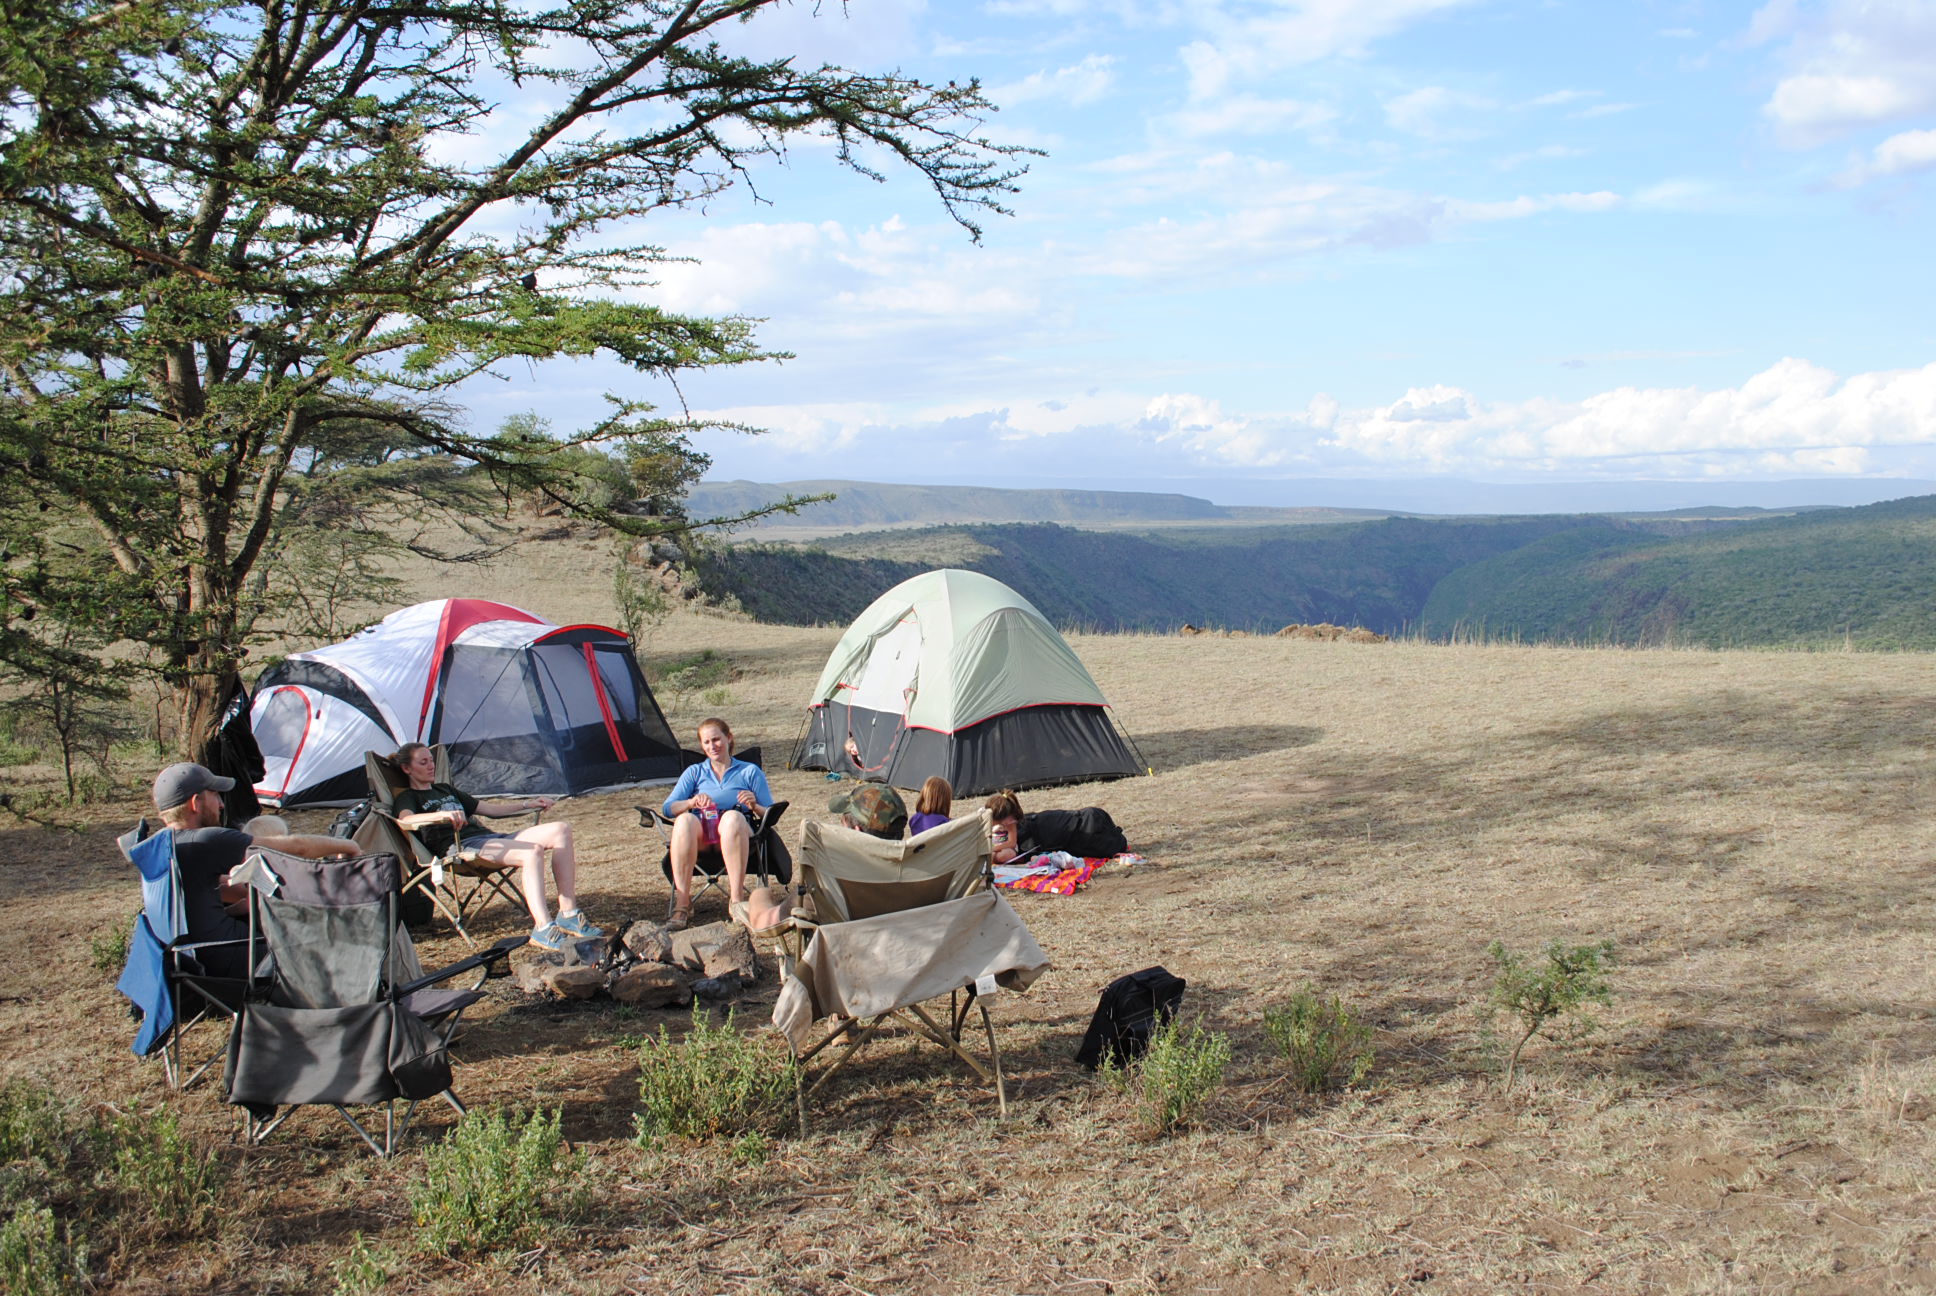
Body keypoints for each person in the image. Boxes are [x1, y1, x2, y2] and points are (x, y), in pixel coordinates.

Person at [389, 742, 599, 951]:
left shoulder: (444, 789)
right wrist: (441, 815)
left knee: (561, 829)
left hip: (490, 839)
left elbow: (490, 809)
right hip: (463, 848)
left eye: (431, 760)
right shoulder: (408, 797)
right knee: (530, 851)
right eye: (423, 762)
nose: (430, 766)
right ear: (407, 768)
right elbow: (406, 821)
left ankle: (568, 913)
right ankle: (543, 928)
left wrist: (528, 804)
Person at [153, 762, 356, 977]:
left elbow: (203, 896)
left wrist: (243, 903)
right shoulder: (205, 840)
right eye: (214, 795)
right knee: (324, 941)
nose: (221, 805)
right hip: (231, 956)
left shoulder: (161, 846)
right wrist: (346, 845)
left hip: (186, 957)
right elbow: (296, 848)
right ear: (196, 803)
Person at [732, 782, 908, 933]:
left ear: (857, 832)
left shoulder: (827, 888)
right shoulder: (921, 877)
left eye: (842, 823)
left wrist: (760, 895)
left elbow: (764, 923)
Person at [660, 718, 773, 930]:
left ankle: (737, 902)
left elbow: (770, 812)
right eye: (706, 742)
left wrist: (754, 805)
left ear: (728, 738)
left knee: (731, 818)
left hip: (739, 834)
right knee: (684, 820)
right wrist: (691, 802)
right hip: (702, 836)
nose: (712, 746)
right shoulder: (694, 773)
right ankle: (683, 904)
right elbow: (668, 808)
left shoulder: (749, 771)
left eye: (716, 740)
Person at [983, 790, 1128, 866]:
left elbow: (1012, 845)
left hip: (1091, 827)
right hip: (1087, 822)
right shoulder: (1020, 823)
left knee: (1112, 845)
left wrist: (991, 850)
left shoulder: (1016, 825)